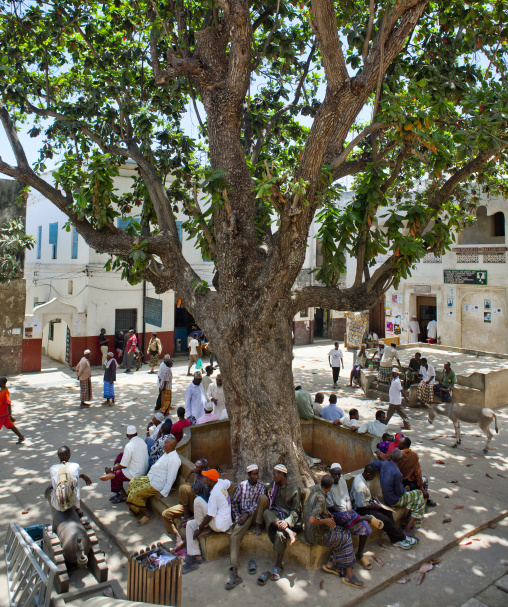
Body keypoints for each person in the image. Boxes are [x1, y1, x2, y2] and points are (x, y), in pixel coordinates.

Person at [304, 475, 365, 588]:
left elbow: (314, 508)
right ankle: (349, 576)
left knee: (344, 532)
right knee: (346, 539)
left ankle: (330, 564)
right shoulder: (322, 498)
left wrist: (326, 512)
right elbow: (312, 520)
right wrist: (326, 520)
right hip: (316, 535)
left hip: (309, 531)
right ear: (331, 487)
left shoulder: (316, 489)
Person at [350, 464, 413, 550]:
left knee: (388, 512)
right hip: (361, 510)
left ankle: (396, 538)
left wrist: (372, 496)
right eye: (373, 476)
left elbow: (365, 493)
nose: (373, 477)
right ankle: (401, 538)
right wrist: (375, 506)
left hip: (367, 504)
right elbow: (360, 506)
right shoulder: (360, 486)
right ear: (368, 474)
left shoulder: (361, 477)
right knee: (385, 520)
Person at [327, 464, 377, 571]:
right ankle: (364, 517)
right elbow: (331, 507)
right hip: (336, 513)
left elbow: (347, 498)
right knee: (346, 517)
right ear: (330, 473)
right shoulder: (328, 484)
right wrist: (345, 512)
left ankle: (359, 553)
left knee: (364, 526)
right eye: (335, 475)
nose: (337, 477)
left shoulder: (342, 481)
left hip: (346, 511)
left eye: (339, 474)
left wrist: (349, 509)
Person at [226, 464, 268, 590]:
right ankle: (234, 572)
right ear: (249, 475)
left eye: (257, 473)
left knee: (263, 498)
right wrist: (238, 516)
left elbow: (258, 505)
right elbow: (234, 503)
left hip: (255, 515)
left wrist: (247, 513)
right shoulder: (242, 486)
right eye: (254, 474)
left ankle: (259, 526)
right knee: (234, 537)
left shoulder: (261, 487)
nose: (256, 476)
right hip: (244, 517)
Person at [256, 464, 300, 581]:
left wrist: (287, 521)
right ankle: (289, 532)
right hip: (275, 516)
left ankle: (278, 565)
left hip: (286, 518)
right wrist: (269, 489)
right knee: (266, 513)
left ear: (281, 475)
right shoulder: (274, 485)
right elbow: (271, 487)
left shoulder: (294, 489)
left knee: (280, 534)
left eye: (275, 474)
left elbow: (296, 511)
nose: (273, 476)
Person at [183, 469, 232, 573]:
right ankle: (195, 555)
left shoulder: (214, 494)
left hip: (219, 525)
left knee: (198, 501)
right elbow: (229, 482)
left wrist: (200, 529)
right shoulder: (221, 482)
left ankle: (205, 528)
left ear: (211, 480)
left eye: (206, 478)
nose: (204, 479)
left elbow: (210, 516)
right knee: (190, 524)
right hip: (224, 521)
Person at [127, 435, 181, 527]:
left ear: (171, 446)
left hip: (156, 485)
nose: (163, 444)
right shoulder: (167, 453)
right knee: (133, 482)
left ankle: (147, 515)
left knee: (135, 493)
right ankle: (136, 508)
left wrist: (163, 492)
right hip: (150, 478)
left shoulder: (174, 460)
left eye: (166, 443)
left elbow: (171, 478)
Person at [370, 450, 426, 535]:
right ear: (400, 459)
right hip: (394, 500)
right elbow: (400, 492)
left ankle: (405, 521)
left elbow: (373, 463)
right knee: (419, 495)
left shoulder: (384, 464)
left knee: (416, 498)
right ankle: (406, 529)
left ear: (391, 457)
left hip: (387, 497)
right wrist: (405, 489)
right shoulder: (397, 473)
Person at [162, 458, 210, 551]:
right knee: (165, 514)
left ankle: (187, 514)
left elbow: (206, 505)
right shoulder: (197, 472)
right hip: (187, 505)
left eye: (197, 467)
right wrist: (190, 472)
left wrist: (191, 518)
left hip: (198, 508)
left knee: (184, 488)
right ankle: (177, 536)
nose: (194, 468)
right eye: (195, 465)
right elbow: (194, 470)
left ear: (204, 469)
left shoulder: (207, 481)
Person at [100, 425, 149, 503]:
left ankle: (123, 495)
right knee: (121, 455)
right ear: (136, 433)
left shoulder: (129, 446)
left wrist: (111, 469)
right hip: (144, 469)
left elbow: (123, 465)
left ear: (127, 435)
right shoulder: (141, 441)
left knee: (116, 474)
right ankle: (113, 471)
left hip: (136, 473)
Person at [49, 446, 92, 517]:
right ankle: (77, 507)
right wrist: (82, 476)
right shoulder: (75, 466)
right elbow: (74, 477)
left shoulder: (52, 468)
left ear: (58, 456)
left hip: (57, 504)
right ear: (69, 455)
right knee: (75, 485)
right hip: (72, 501)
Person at [395, 437, 436, 507]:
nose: (398, 445)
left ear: (405, 446)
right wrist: (423, 490)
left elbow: (384, 457)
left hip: (397, 482)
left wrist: (379, 453)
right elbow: (417, 473)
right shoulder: (414, 456)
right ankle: (425, 500)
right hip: (407, 483)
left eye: (400, 443)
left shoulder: (395, 454)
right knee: (424, 480)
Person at [0, 377, 24, 444]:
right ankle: (20, 436)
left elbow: (8, 404)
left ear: (2, 383)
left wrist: (10, 415)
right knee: (11, 426)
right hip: (4, 414)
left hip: (2, 414)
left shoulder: (5, 393)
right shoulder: (2, 389)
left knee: (11, 425)